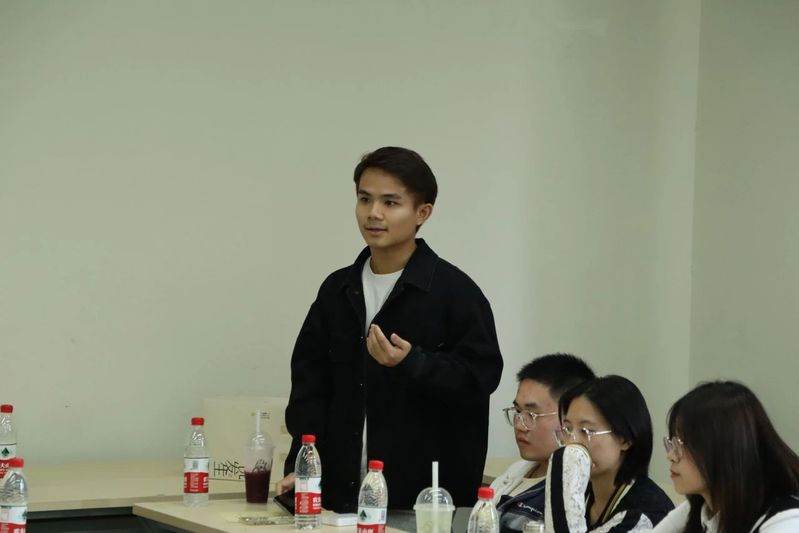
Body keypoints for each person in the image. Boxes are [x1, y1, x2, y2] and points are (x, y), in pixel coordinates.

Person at [276, 146, 504, 512]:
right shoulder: (337, 290)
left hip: (422, 501)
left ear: (422, 212)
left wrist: (414, 362)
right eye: (364, 199)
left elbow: (481, 377)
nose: (373, 213)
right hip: (337, 496)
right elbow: (309, 387)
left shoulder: (456, 293)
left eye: (390, 202)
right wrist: (302, 466)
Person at [653, 381, 799, 533]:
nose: (671, 456)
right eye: (672, 442)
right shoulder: (703, 505)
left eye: (682, 443)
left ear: (726, 448)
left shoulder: (785, 522)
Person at [545, 375, 674, 532]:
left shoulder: (645, 514)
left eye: (586, 431)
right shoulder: (581, 491)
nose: (572, 442)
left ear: (624, 439)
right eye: (568, 429)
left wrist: (562, 473)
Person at [490, 353, 595, 533]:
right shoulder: (515, 472)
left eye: (532, 414)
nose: (519, 425)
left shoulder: (579, 490)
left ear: (572, 417)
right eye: (517, 411)